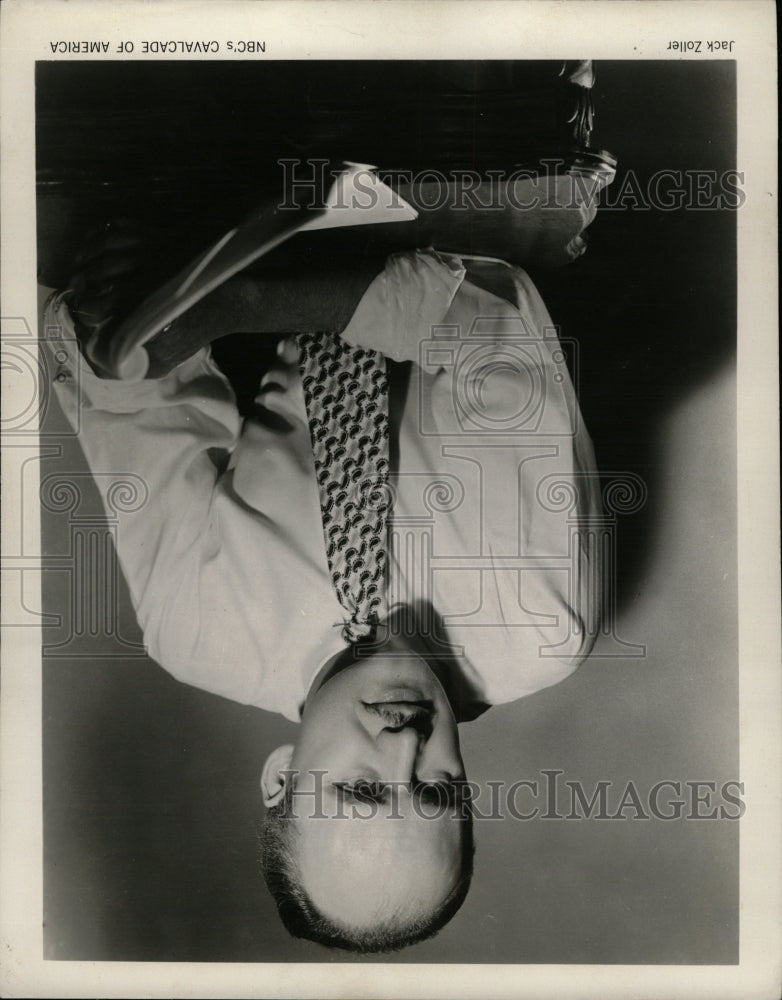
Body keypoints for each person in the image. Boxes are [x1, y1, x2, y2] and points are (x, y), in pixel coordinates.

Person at [42, 224, 601, 953]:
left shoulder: (198, 632)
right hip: (451, 194)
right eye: (436, 791)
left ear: (281, 780)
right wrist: (240, 302)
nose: (407, 746)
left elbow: (124, 391)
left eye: (363, 790)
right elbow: (489, 318)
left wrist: (113, 317)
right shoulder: (539, 629)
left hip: (235, 215)